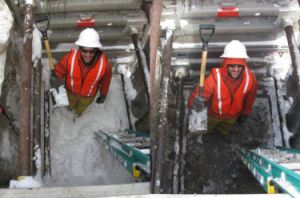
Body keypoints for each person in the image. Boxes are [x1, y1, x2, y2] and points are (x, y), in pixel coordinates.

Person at [188, 40, 258, 144]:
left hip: (233, 115)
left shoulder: (250, 79)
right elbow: (200, 93)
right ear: (226, 64)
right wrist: (193, 102)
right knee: (209, 126)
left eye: (239, 65)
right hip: (214, 114)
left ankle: (224, 132)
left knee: (226, 127)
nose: (236, 69)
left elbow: (250, 98)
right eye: (232, 65)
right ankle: (207, 133)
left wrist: (246, 113)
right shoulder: (214, 78)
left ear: (244, 64)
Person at [50, 28, 112, 117]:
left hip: (88, 96)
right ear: (80, 48)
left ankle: (78, 113)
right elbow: (59, 70)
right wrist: (55, 78)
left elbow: (106, 80)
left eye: (92, 51)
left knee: (81, 108)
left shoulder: (104, 64)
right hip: (70, 93)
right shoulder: (70, 58)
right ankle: (70, 109)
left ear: (96, 49)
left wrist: (103, 93)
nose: (87, 55)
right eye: (84, 50)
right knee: (70, 104)